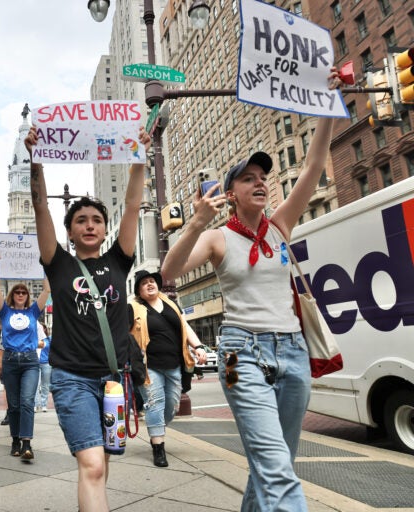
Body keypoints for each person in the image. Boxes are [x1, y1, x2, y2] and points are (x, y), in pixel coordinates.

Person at [161, 70, 341, 512]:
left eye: (263, 176)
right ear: (230, 194)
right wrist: (197, 222)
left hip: (294, 352)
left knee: (273, 463)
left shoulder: (280, 227)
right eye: (248, 178)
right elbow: (170, 269)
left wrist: (327, 105)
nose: (260, 181)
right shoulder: (219, 237)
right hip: (243, 355)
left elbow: (314, 164)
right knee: (277, 468)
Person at [25, 125, 151, 511]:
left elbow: (132, 205)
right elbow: (40, 206)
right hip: (72, 379)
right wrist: (36, 161)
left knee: (101, 464)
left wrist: (138, 158)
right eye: (81, 220)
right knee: (93, 464)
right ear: (70, 232)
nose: (91, 224)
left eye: (97, 219)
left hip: (114, 382)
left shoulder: (118, 259)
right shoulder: (58, 264)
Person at [128, 270, 206, 467]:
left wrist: (197, 346)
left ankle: (156, 428)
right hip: (149, 366)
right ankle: (158, 448)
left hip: (174, 364)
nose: (149, 284)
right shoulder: (133, 308)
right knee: (155, 403)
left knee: (171, 407)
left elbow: (185, 326)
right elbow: (122, 334)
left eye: (152, 281)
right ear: (139, 290)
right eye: (144, 283)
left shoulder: (171, 304)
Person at [0, 254, 50, 460]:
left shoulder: (33, 312)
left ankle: (27, 443)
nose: (20, 294)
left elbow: (46, 290)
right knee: (14, 404)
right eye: (17, 291)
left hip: (29, 362)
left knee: (27, 401)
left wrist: (44, 266)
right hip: (9, 361)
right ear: (13, 295)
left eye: (23, 292)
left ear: (27, 296)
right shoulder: (5, 312)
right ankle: (15, 440)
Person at [35, 323, 52, 413]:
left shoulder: (49, 339)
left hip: (46, 363)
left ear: (45, 329)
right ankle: (36, 404)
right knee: (36, 385)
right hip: (35, 363)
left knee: (45, 385)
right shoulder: (33, 337)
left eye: (43, 328)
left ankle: (44, 404)